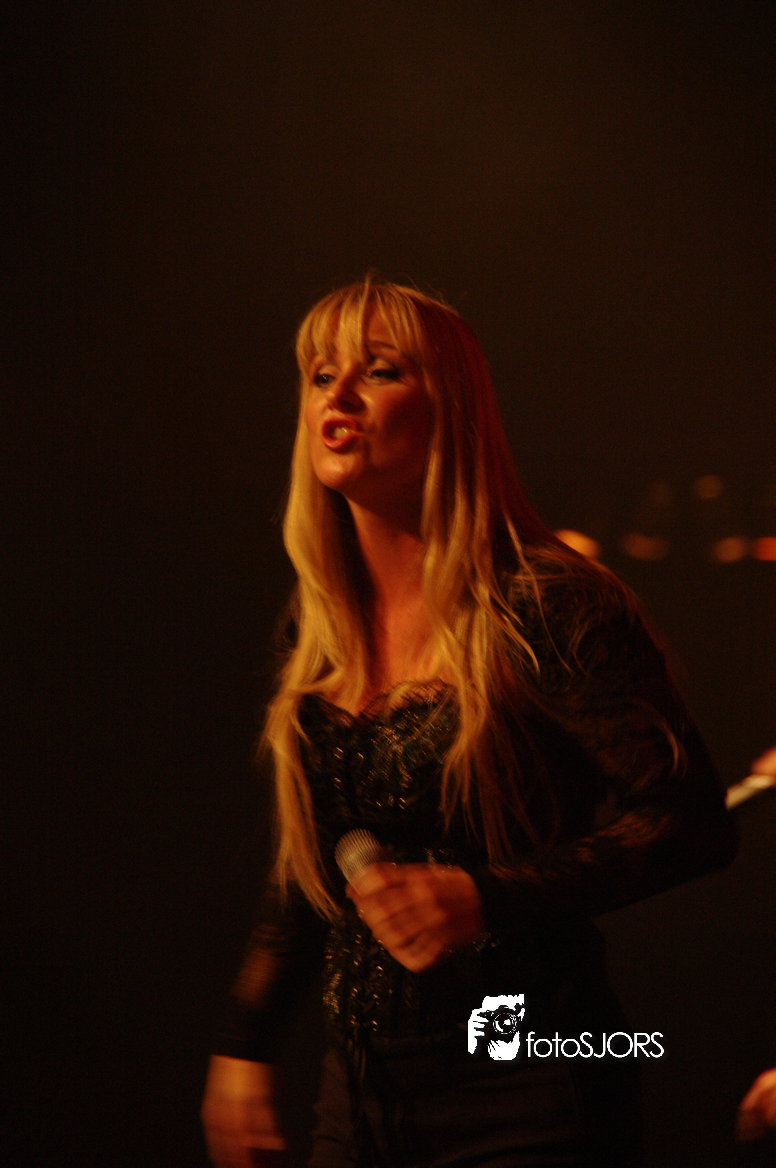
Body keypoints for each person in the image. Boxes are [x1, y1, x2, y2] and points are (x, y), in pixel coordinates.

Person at [201, 278, 736, 1167]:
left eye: (379, 371)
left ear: (448, 409)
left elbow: (691, 822)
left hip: (527, 1071)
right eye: (322, 374)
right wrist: (243, 1040)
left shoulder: (543, 604)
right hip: (361, 1094)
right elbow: (311, 861)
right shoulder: (319, 622)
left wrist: (484, 895)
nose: (339, 395)